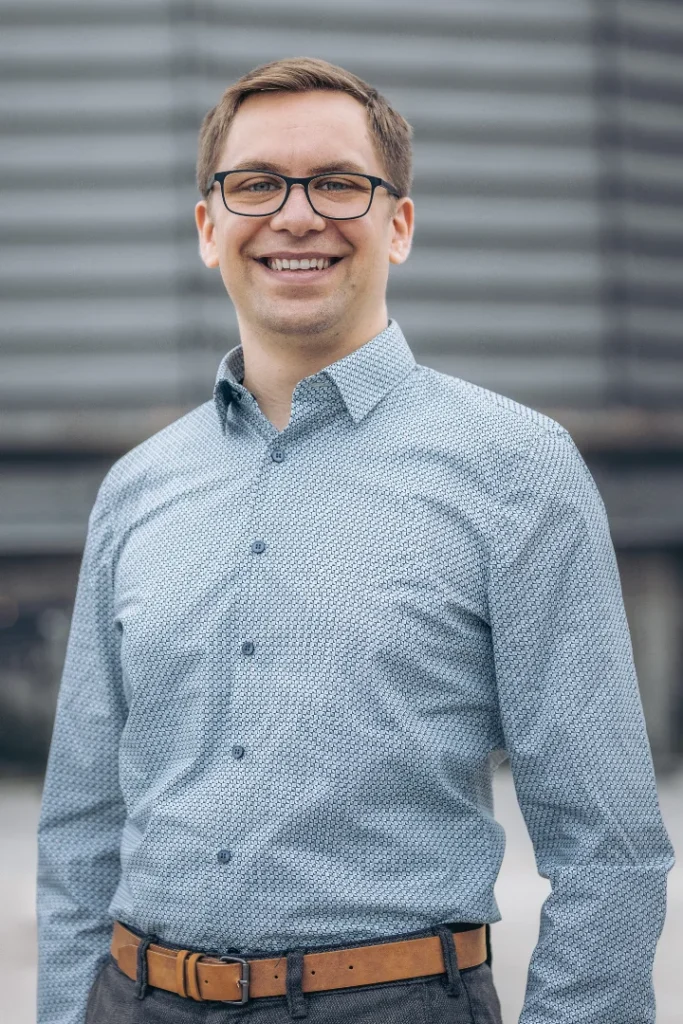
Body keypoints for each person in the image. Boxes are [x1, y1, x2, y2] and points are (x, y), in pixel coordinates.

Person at [37, 56, 675, 1024]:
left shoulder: (515, 468)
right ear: (209, 228)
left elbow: (606, 844)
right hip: (135, 1001)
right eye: (254, 184)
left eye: (338, 182)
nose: (296, 216)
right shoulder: (136, 486)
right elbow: (82, 824)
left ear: (398, 224)